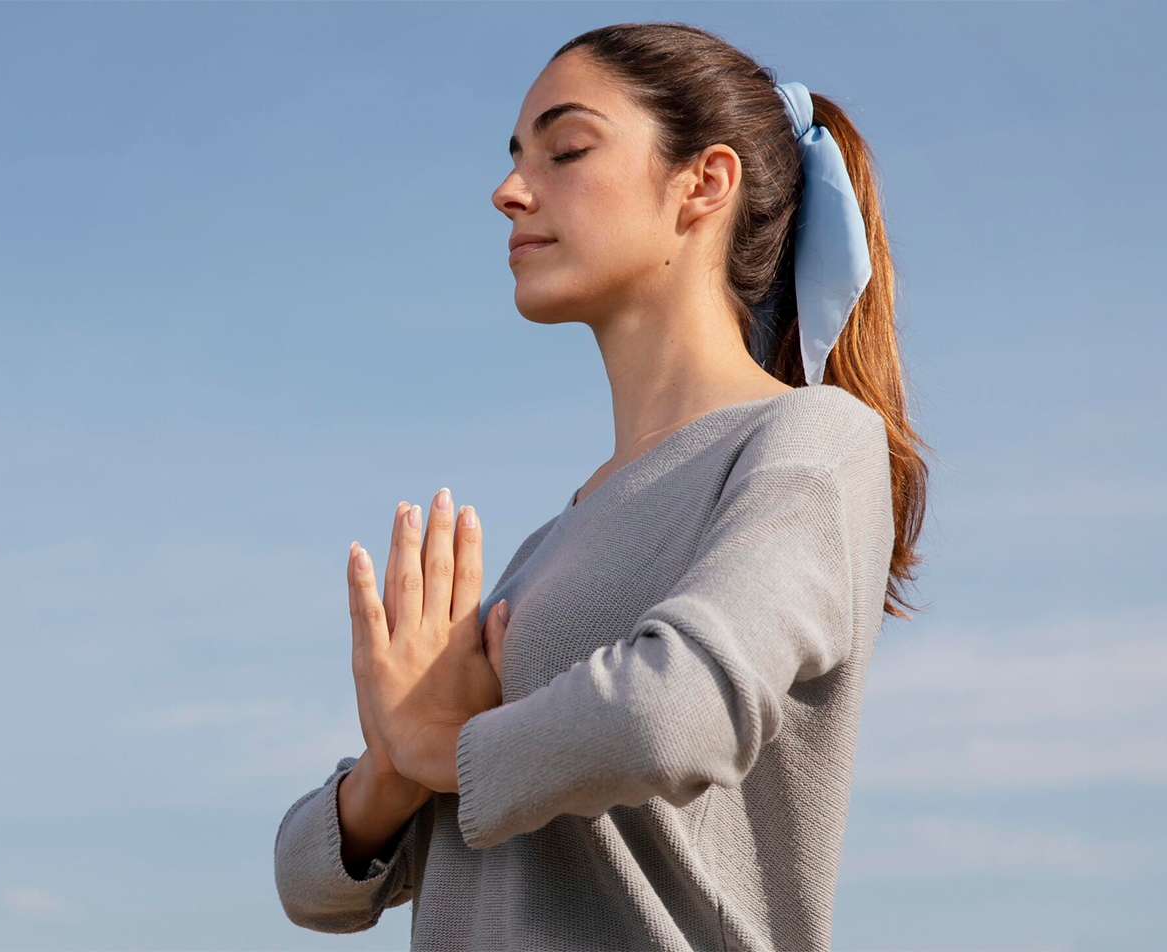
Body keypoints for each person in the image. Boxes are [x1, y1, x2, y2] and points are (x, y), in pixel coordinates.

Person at [272, 21, 932, 952]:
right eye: (515, 158)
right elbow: (309, 882)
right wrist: (393, 767)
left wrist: (446, 752)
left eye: (566, 149)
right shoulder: (549, 549)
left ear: (703, 183)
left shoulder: (811, 441)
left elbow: (673, 713)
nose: (510, 191)